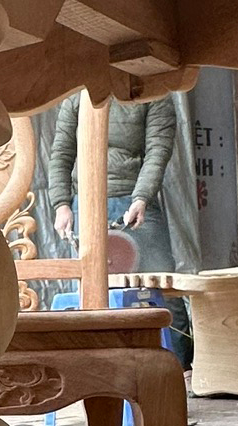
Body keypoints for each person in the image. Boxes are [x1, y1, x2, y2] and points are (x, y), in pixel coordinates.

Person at [46, 91, 192, 363]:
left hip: (135, 200)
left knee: (162, 289)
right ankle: (104, 367)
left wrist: (141, 198)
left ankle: (181, 369)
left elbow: (158, 151)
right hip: (85, 204)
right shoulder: (77, 97)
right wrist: (61, 205)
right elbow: (61, 154)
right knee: (95, 292)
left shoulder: (154, 93)